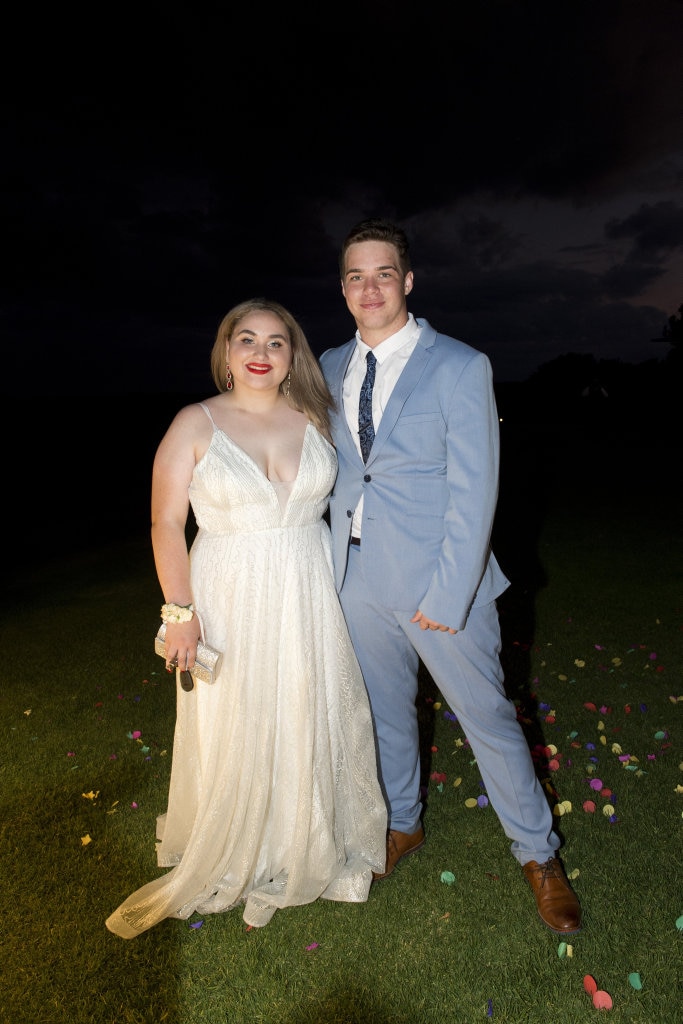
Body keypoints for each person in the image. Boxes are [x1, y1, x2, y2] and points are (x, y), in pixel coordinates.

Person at [319, 219, 581, 935]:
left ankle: (538, 855)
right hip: (355, 578)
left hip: (440, 579)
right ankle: (401, 823)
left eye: (381, 274)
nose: (368, 287)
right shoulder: (326, 362)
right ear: (342, 288)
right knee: (386, 714)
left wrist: (451, 590)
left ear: (407, 281)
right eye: (353, 276)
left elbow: (475, 489)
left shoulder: (460, 364)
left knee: (489, 717)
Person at [106, 298, 387, 938]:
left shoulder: (318, 417)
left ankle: (300, 841)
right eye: (247, 340)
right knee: (238, 713)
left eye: (276, 342)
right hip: (227, 591)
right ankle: (239, 842)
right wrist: (179, 612)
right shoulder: (193, 422)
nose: (261, 354)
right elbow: (165, 523)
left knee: (305, 706)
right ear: (226, 352)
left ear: (293, 356)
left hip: (307, 587)